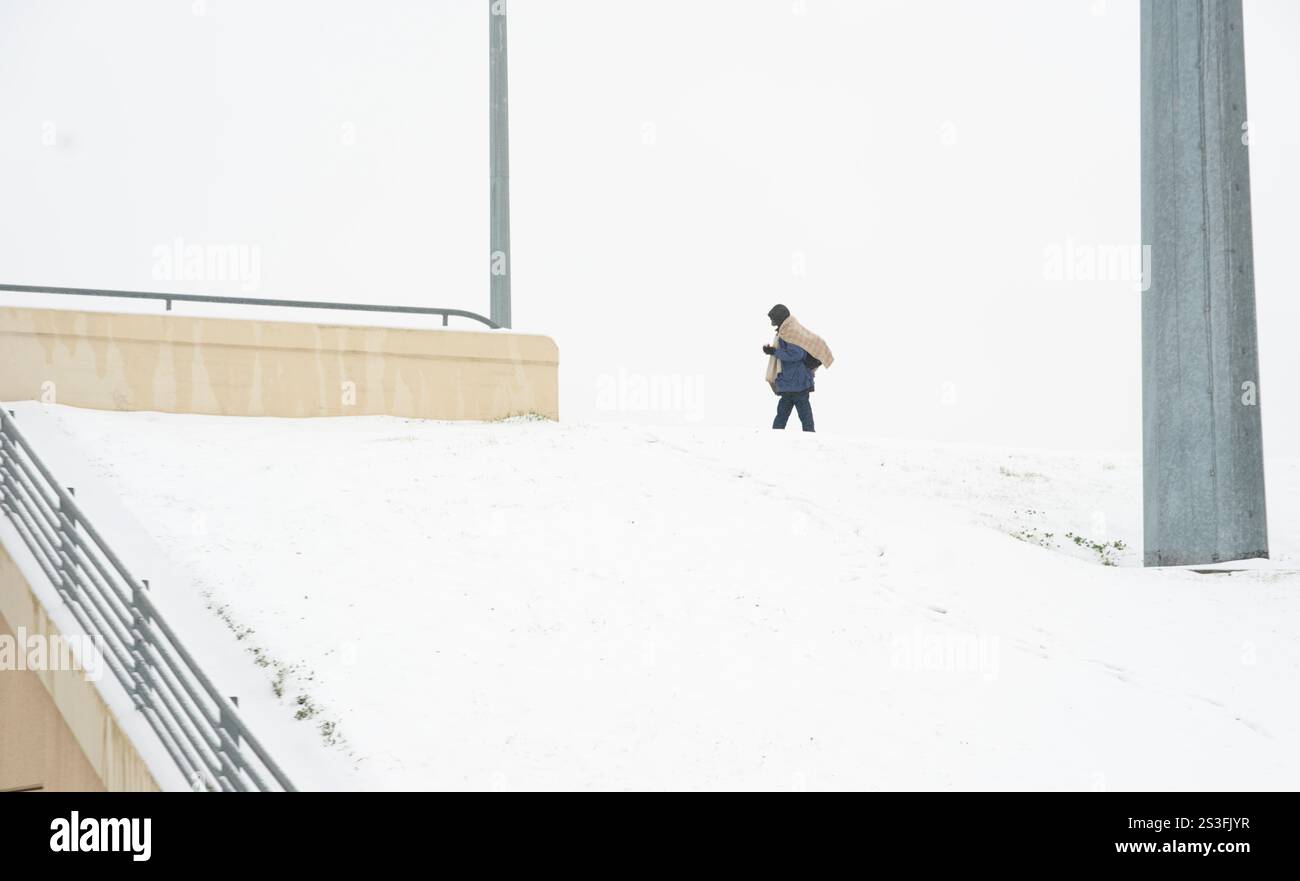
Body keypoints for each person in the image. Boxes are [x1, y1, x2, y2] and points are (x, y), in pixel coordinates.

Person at [763, 304, 834, 432]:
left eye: (773, 319)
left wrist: (774, 352)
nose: (772, 323)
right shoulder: (787, 330)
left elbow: (796, 354)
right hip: (791, 383)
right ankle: (776, 439)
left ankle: (808, 440)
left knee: (796, 416)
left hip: (797, 383)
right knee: (789, 416)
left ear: (779, 317)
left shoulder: (790, 332)